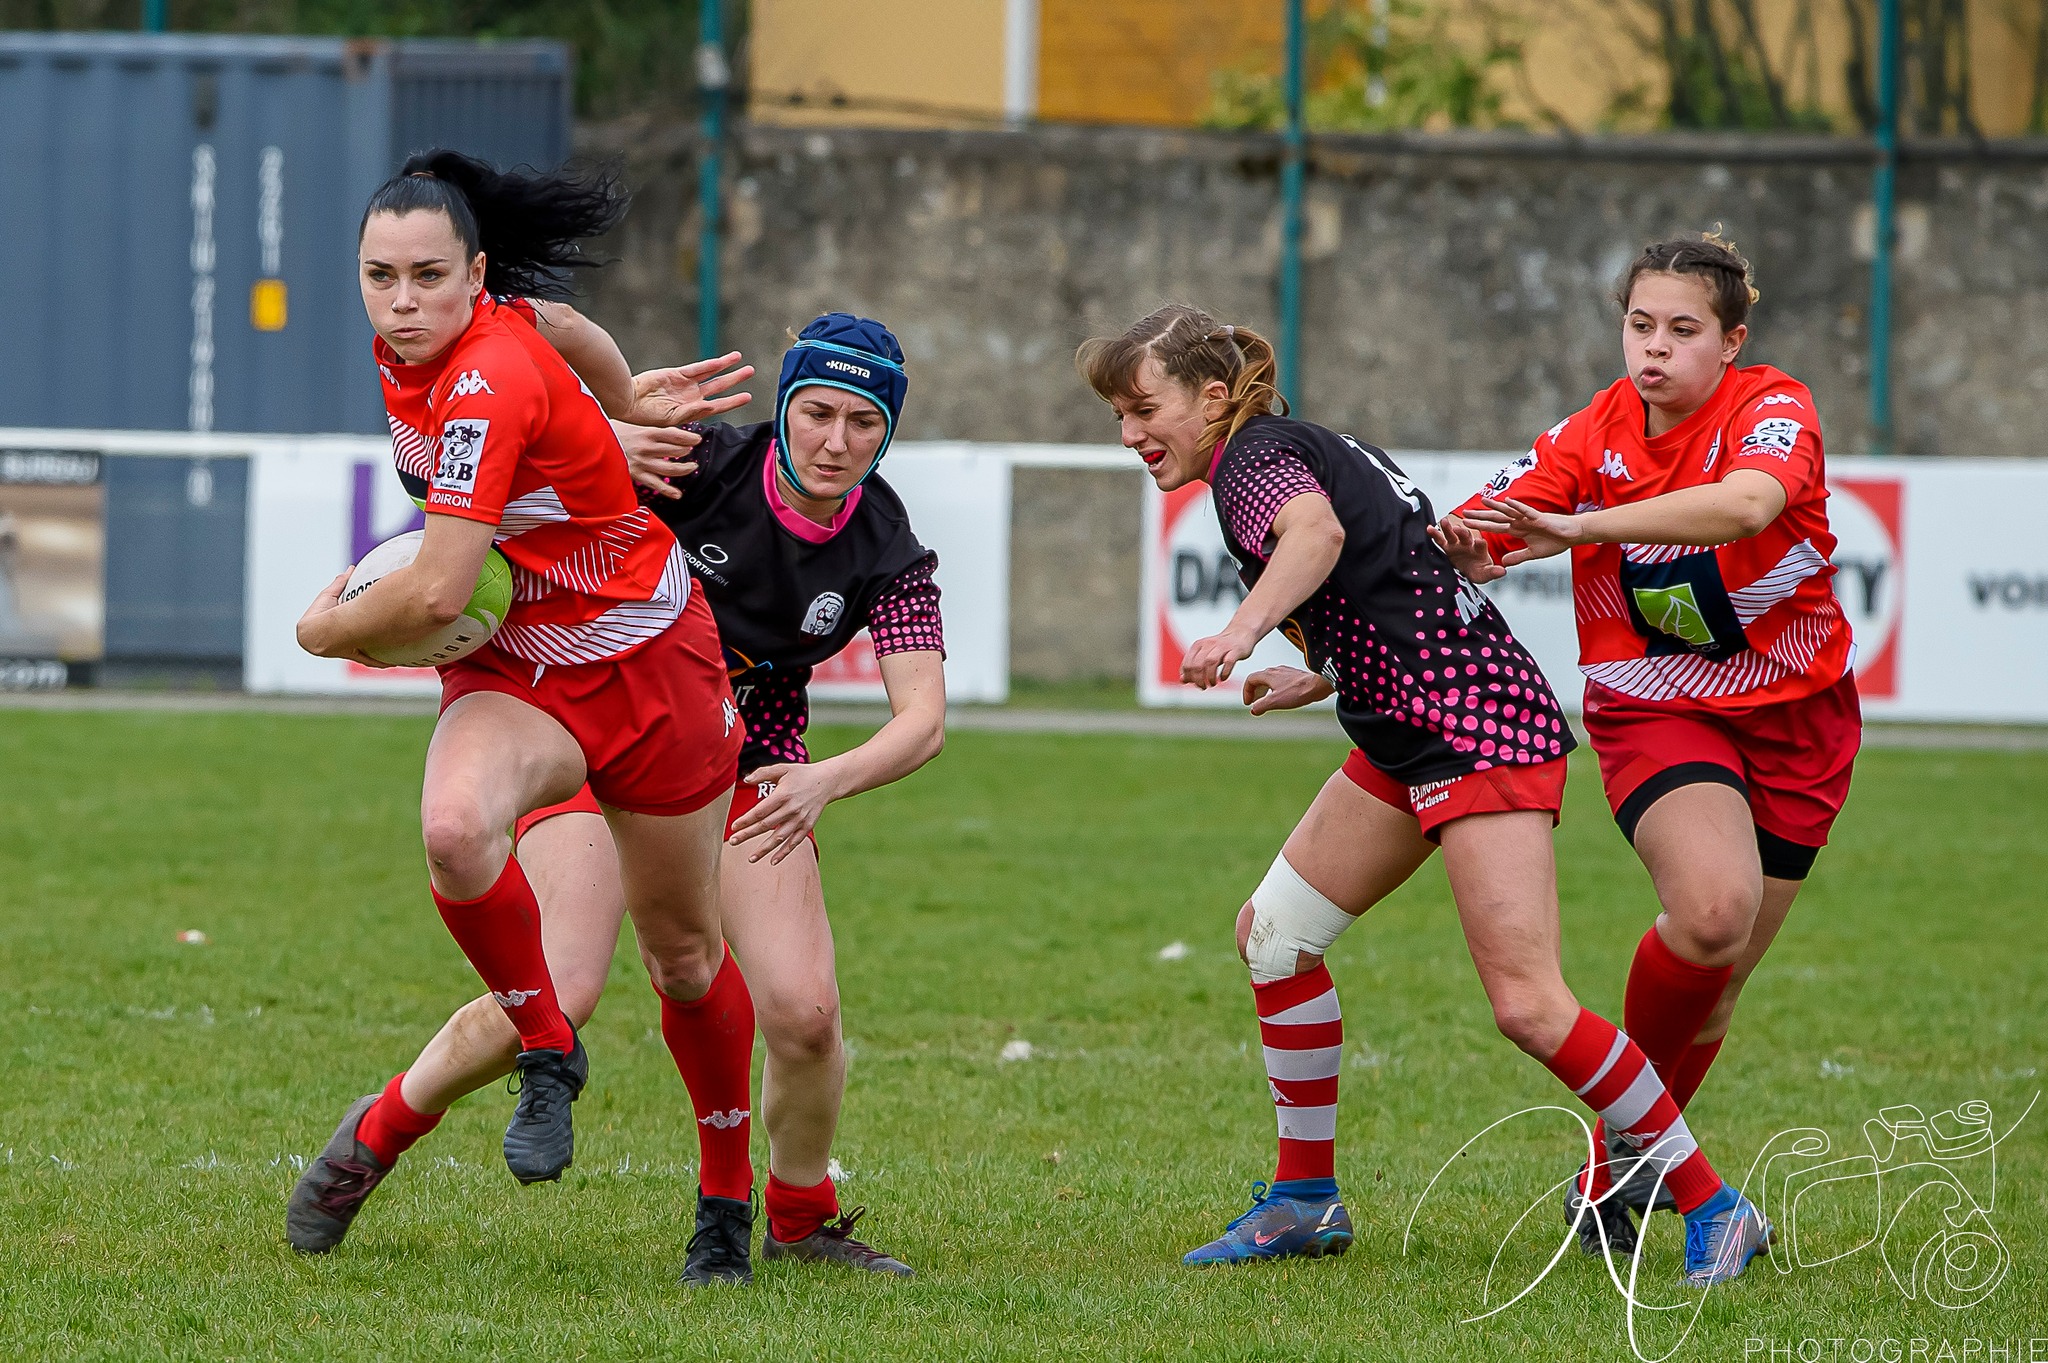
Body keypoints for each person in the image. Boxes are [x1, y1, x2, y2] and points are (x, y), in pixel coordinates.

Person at [1077, 303, 1772, 1287]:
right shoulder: (1286, 443)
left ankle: (1714, 1205)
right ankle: (1303, 1200)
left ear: (1211, 397)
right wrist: (1314, 674)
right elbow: (1392, 579)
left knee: (1528, 1006)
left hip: (1470, 731)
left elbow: (1314, 536)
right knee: (1271, 937)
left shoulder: (1250, 463)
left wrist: (1238, 634)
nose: (1129, 433)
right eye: (1115, 413)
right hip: (1414, 730)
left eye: (1143, 407)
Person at [291, 310, 946, 1289]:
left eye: (862, 422)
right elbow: (516, 477)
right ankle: (376, 1134)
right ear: (785, 407)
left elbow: (921, 719)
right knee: (559, 998)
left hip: (749, 765)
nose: (835, 441)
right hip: (599, 726)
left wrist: (821, 778)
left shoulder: (888, 550)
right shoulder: (692, 462)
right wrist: (606, 422)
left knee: (806, 1013)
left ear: (886, 431)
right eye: (815, 413)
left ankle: (800, 1218)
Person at [285, 151, 743, 1259]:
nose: (401, 301)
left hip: (643, 662)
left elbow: (440, 588)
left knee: (682, 954)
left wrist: (325, 625)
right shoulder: (427, 340)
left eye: (428, 277)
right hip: (517, 667)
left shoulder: (485, 372)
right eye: (379, 275)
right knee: (453, 828)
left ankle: (724, 1201)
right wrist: (616, 407)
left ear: (473, 274)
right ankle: (546, 1047)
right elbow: (571, 329)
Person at [1433, 233, 1858, 1255]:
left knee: (1713, 985)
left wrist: (1582, 528)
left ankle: (1610, 1174)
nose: (1653, 349)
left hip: (1801, 721)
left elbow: (1747, 505)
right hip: (1653, 706)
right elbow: (1468, 537)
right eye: (1638, 326)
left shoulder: (1771, 408)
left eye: (1681, 329)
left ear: (1730, 341)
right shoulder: (1592, 432)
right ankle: (1660, 1178)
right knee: (1711, 914)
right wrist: (1453, 554)